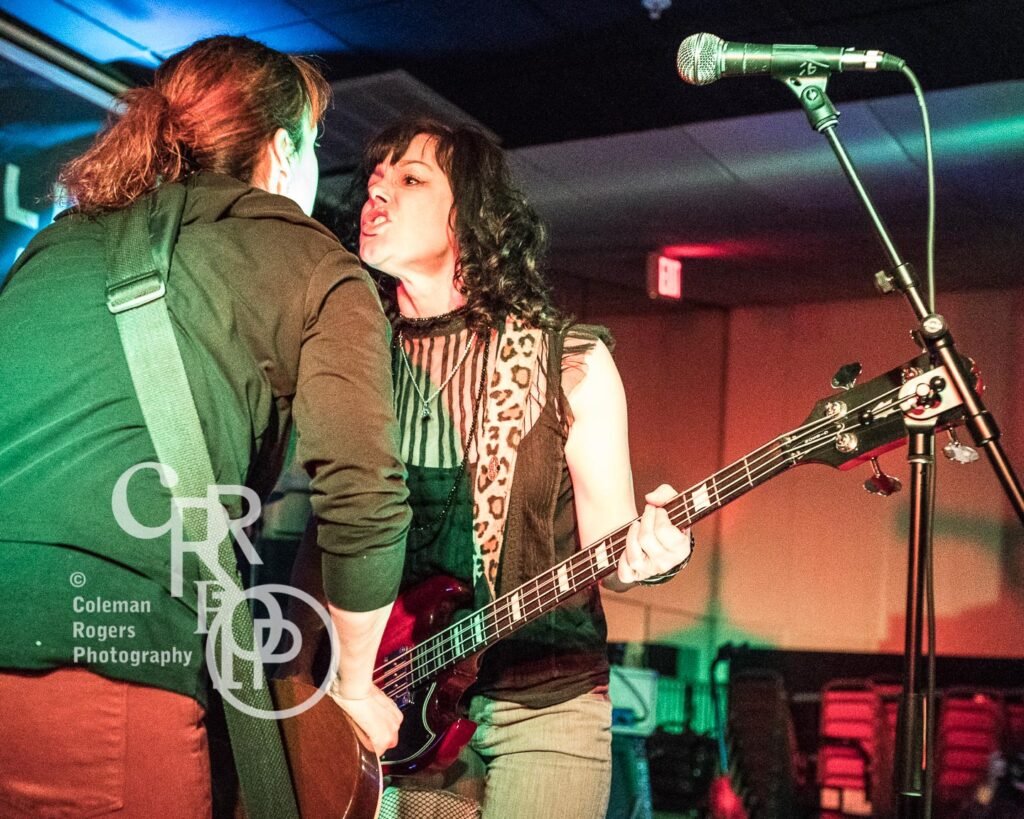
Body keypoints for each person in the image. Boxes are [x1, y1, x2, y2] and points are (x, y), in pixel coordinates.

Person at [0, 36, 409, 817]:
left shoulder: (54, 245)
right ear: (282, 153)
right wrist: (355, 687)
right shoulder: (313, 261)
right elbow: (363, 498)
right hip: (106, 660)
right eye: (315, 144)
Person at [346, 117, 694, 819]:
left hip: (544, 701)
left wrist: (653, 555)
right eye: (374, 181)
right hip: (396, 697)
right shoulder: (354, 358)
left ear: (470, 216)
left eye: (410, 179)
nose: (376, 195)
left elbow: (612, 553)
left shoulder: (570, 361)